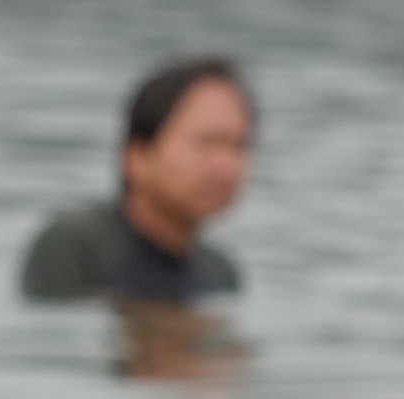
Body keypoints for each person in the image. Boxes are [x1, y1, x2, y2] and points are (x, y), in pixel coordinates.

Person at [18, 55, 250, 305]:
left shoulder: (221, 275)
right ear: (137, 156)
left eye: (238, 146)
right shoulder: (73, 247)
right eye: (206, 142)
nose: (225, 166)